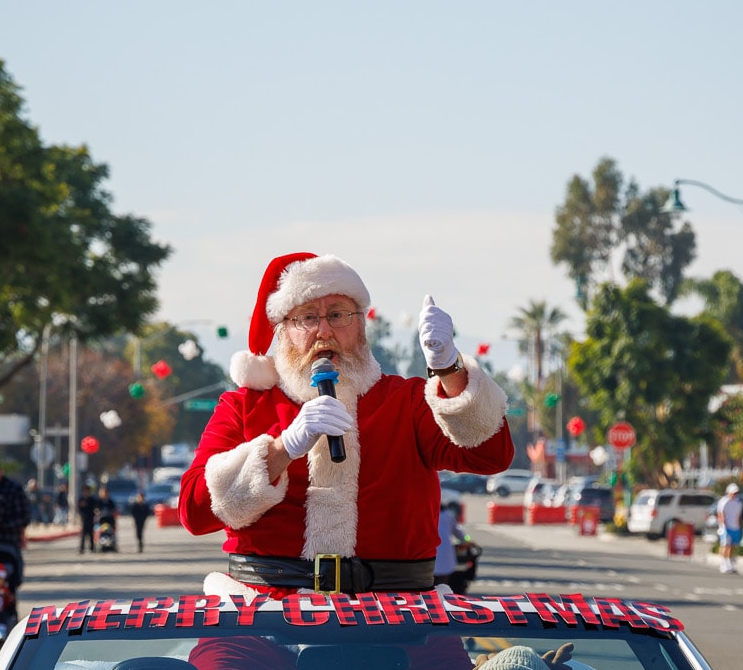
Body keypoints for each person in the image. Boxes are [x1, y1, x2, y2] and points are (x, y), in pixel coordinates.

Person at [180, 251, 512, 593]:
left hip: (397, 610)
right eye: (307, 318)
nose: (324, 331)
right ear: (283, 333)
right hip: (264, 608)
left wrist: (448, 369)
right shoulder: (244, 406)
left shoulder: (407, 400)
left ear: (360, 325)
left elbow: (489, 455)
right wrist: (282, 449)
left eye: (338, 315)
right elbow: (193, 512)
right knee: (212, 651)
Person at [714, 483, 743, 574]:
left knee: (732, 547)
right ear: (729, 492)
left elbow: (739, 515)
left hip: (735, 528)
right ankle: (724, 564)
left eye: (736, 493)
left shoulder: (738, 502)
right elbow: (721, 514)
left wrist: (739, 526)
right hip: (726, 528)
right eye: (733, 493)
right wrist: (723, 526)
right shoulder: (723, 501)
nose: (735, 494)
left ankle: (729, 563)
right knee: (726, 546)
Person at [77, 483, 97, 554]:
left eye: (87, 491)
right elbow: (79, 509)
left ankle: (92, 548)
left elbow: (95, 508)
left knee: (91, 534)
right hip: (84, 518)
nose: (86, 492)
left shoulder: (92, 499)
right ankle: (81, 549)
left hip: (91, 518)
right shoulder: (81, 499)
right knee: (83, 535)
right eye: (85, 491)